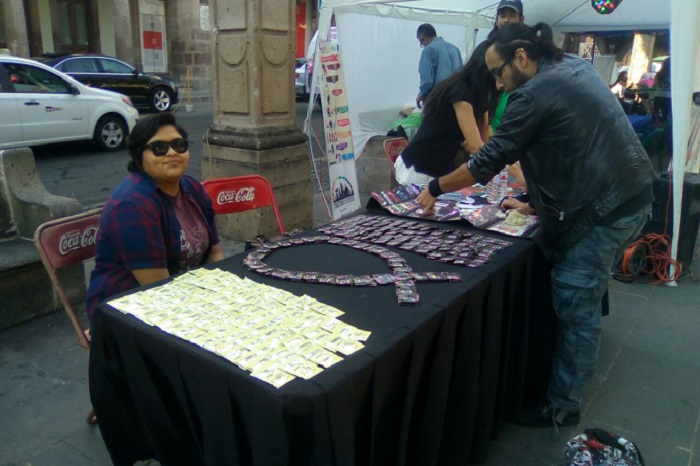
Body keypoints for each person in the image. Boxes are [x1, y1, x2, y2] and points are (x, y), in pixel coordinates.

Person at [417, 22, 655, 429]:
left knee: (575, 302)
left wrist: (436, 187)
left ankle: (563, 405)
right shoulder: (572, 66)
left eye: (498, 73)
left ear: (522, 57)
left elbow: (486, 160)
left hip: (607, 209)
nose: (497, 83)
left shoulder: (533, 92)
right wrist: (534, 203)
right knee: (581, 293)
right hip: (630, 194)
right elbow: (571, 145)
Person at [86, 112, 225, 323]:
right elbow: (158, 289)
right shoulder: (132, 205)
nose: (172, 153)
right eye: (159, 148)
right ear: (138, 158)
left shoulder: (192, 187)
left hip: (186, 295)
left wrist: (224, 292)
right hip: (129, 312)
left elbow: (215, 253)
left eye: (179, 145)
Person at [395, 41, 494, 186]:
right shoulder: (461, 91)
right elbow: (474, 146)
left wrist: (510, 160)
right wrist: (508, 166)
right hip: (419, 168)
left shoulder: (481, 94)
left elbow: (486, 135)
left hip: (439, 167)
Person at [415, 23, 463, 109]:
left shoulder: (429, 50)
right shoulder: (455, 49)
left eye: (421, 43)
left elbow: (427, 81)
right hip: (456, 98)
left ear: (423, 39)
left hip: (437, 100)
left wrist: (421, 94)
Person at [651, 56, 671, 125]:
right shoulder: (673, 75)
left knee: (656, 117)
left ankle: (656, 128)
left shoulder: (658, 74)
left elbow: (654, 86)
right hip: (668, 97)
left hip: (658, 96)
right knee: (666, 117)